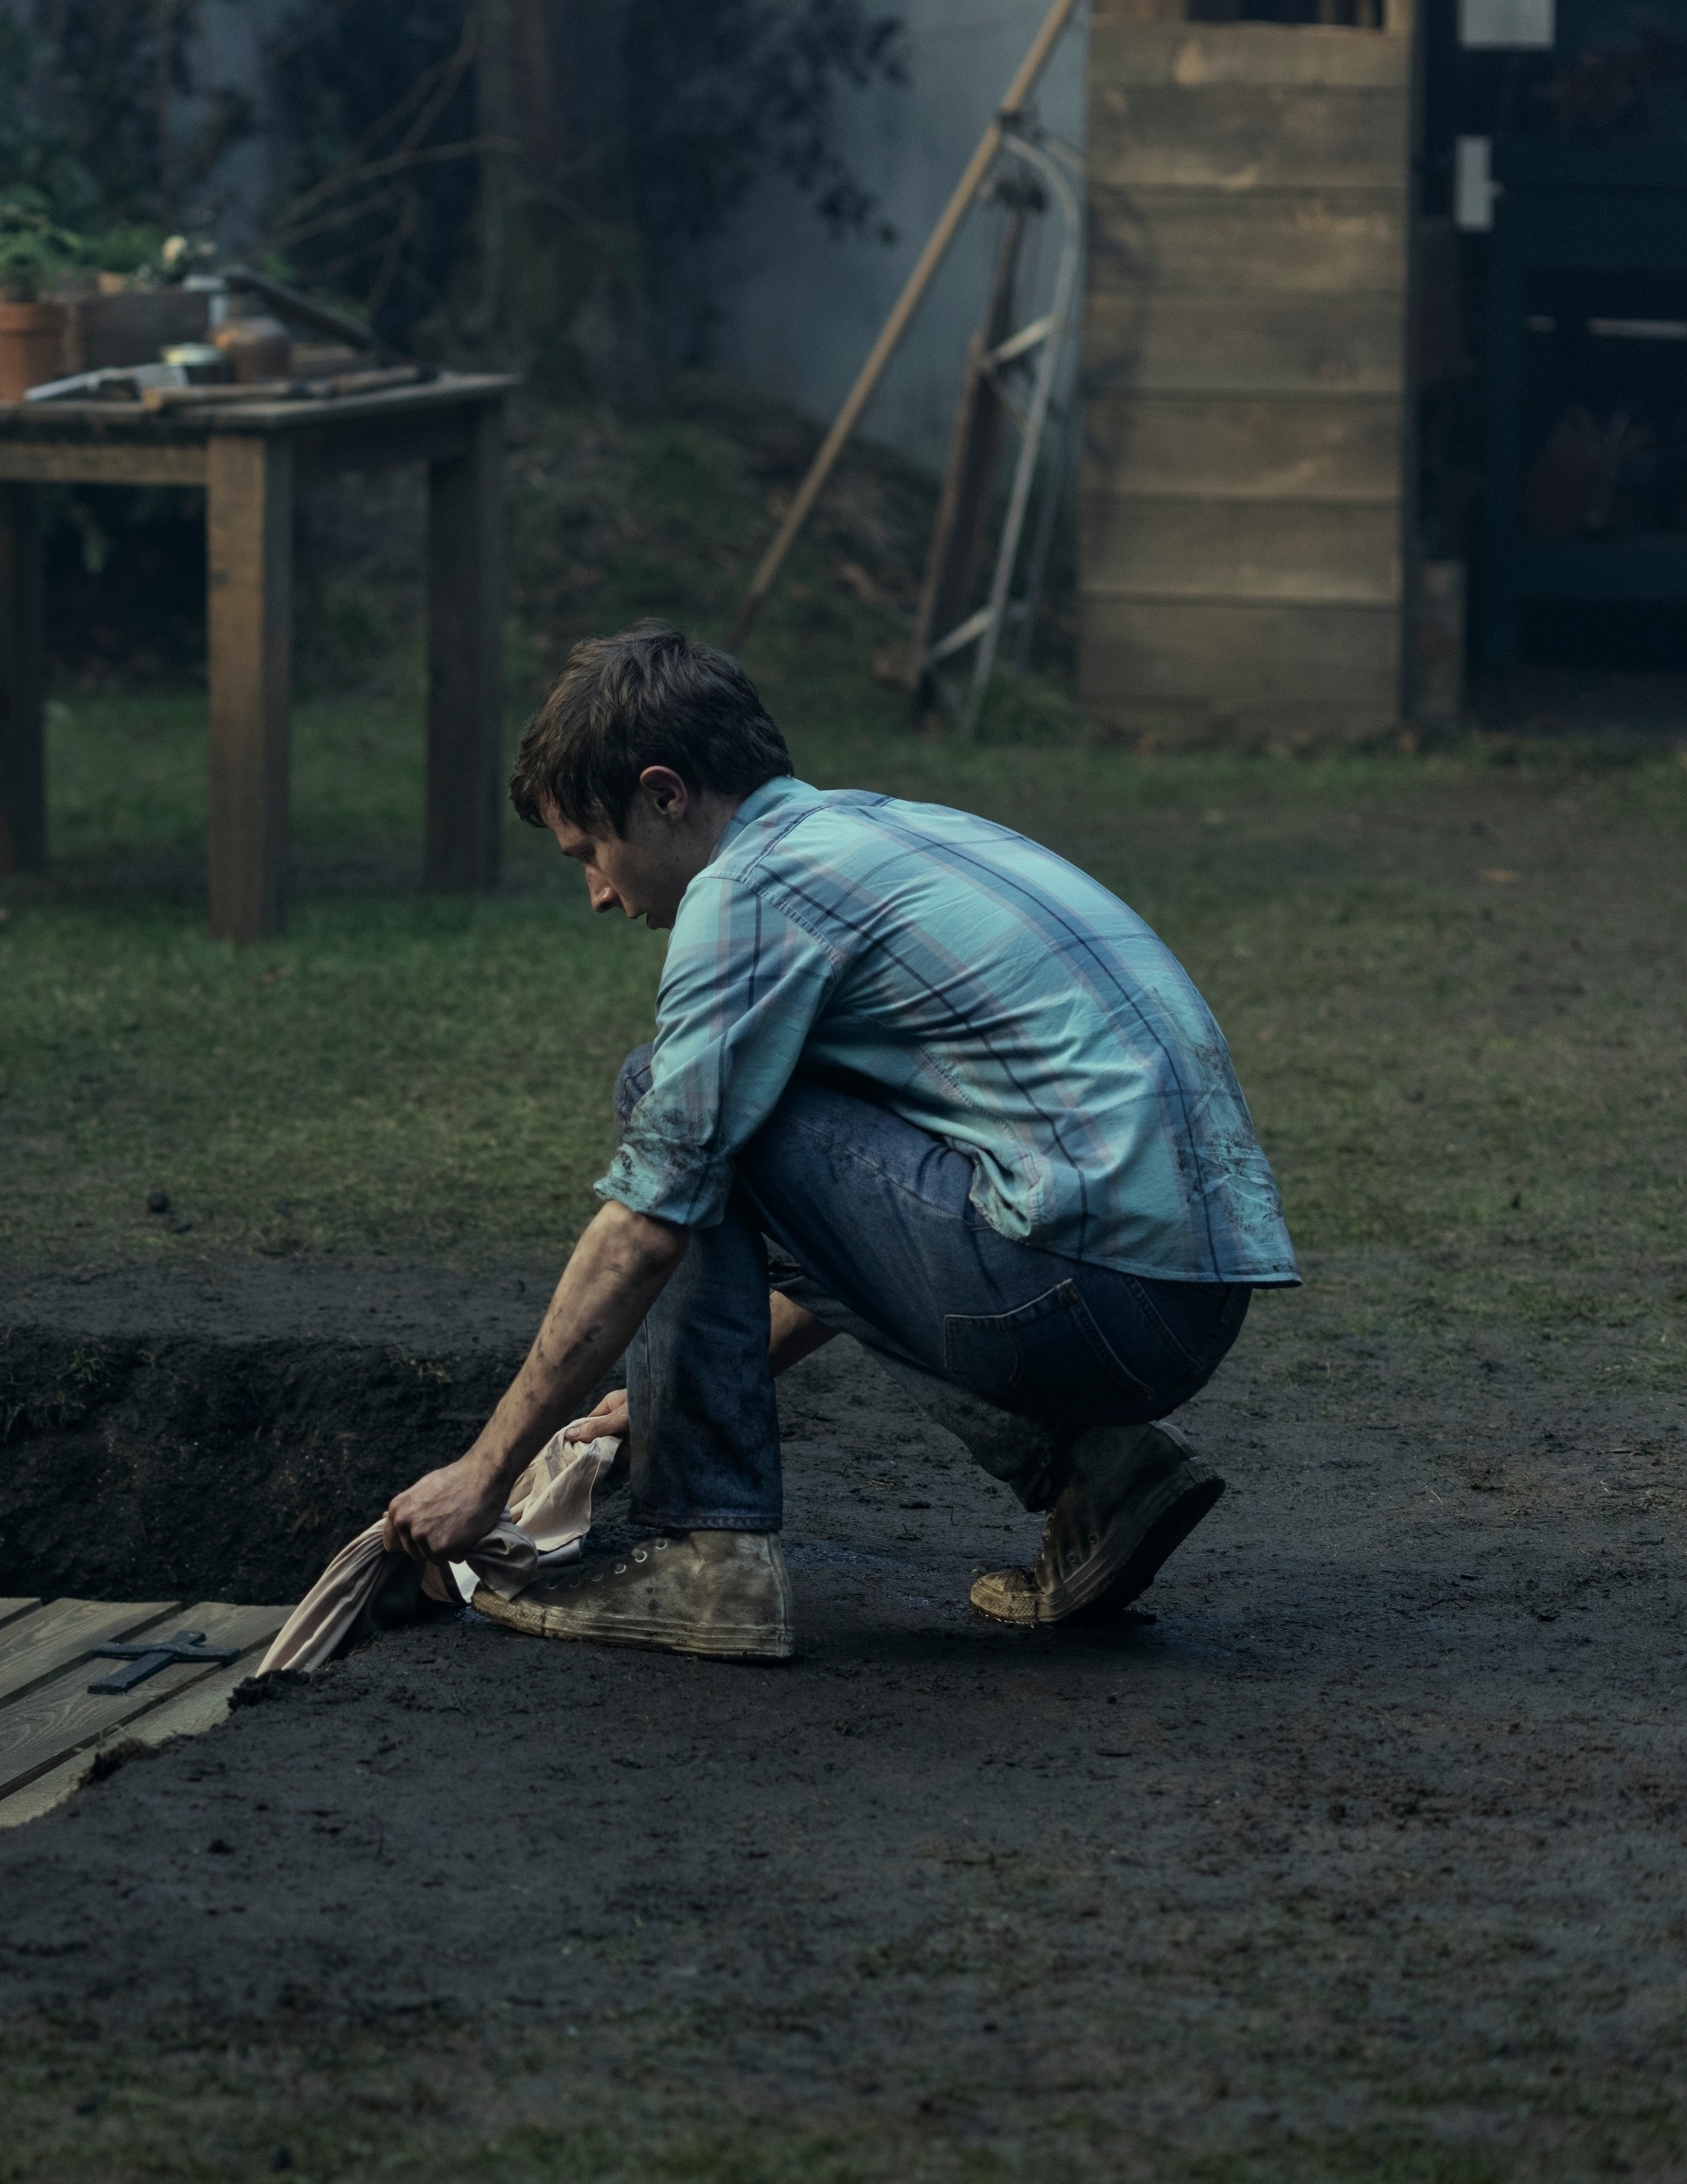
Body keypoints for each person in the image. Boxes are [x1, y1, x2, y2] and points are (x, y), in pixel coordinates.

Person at [382, 625, 1295, 1659]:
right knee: (738, 1112)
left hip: (1083, 1293)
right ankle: (1103, 1475)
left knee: (665, 1097)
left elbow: (648, 1226)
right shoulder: (875, 832)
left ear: (665, 794)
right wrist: (674, 1389)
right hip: (1187, 1297)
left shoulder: (747, 891)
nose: (598, 891)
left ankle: (702, 1561)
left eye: (591, 850)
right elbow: (861, 1234)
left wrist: (485, 1473)